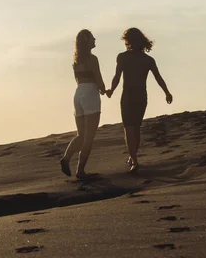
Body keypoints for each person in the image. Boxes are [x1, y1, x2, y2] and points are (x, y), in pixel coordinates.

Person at [106, 28, 172, 173]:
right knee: (135, 128)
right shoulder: (147, 59)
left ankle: (134, 160)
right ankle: (133, 158)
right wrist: (167, 93)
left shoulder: (124, 57)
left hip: (130, 96)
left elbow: (117, 77)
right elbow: (158, 78)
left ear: (128, 41)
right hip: (141, 96)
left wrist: (111, 90)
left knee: (130, 129)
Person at [60, 29, 106, 179]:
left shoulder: (76, 61)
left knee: (81, 134)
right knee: (89, 137)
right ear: (87, 41)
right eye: (92, 38)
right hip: (89, 93)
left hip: (78, 93)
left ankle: (66, 158)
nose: (95, 40)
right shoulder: (92, 59)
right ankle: (80, 170)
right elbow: (98, 79)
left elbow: (78, 80)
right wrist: (105, 90)